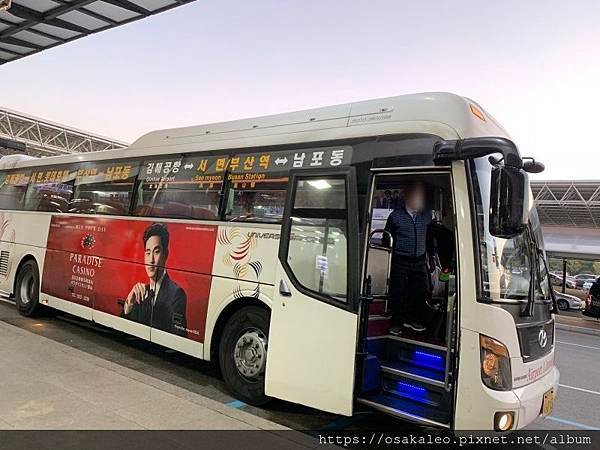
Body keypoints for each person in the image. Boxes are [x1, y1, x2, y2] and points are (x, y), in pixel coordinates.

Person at [384, 181, 433, 335]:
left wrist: (430, 255)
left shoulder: (425, 216)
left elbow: (430, 237)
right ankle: (397, 322)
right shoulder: (395, 216)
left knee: (420, 290)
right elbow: (387, 239)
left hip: (419, 260)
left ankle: (412, 319)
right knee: (397, 292)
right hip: (400, 259)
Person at [122, 222, 187, 337]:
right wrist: (129, 305)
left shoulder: (176, 294)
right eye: (148, 253)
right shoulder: (140, 292)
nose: (151, 260)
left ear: (165, 255)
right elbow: (125, 331)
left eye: (156, 252)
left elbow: (178, 338)